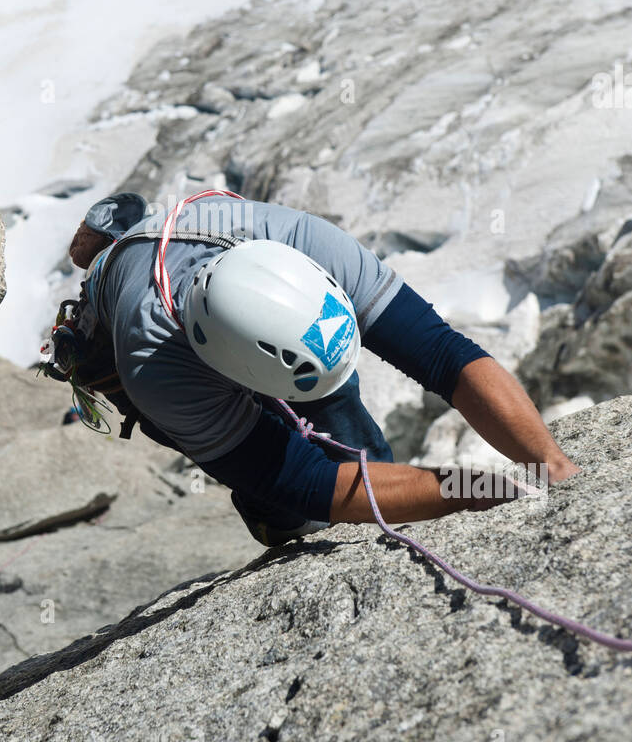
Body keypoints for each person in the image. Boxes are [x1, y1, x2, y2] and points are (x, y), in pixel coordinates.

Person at [68, 190, 580, 546]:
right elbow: (305, 481)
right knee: (289, 508)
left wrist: (548, 463)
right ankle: (267, 515)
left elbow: (444, 356)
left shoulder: (308, 243)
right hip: (129, 332)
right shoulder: (155, 368)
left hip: (213, 265)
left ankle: (118, 227)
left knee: (353, 432)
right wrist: (474, 491)